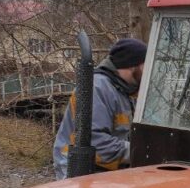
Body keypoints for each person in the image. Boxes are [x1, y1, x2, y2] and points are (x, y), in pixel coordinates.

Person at [53, 38, 146, 180]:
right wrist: (142, 151)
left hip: (107, 169)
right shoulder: (97, 88)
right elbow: (96, 144)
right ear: (133, 65)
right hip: (79, 171)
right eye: (146, 65)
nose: (149, 71)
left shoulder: (126, 92)